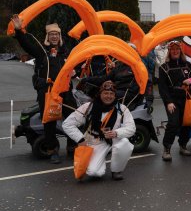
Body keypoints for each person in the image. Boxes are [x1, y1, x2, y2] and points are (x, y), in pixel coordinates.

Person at [11, 14, 77, 162]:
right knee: (49, 122)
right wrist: (19, 31)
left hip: (65, 91)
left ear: (59, 36)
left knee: (72, 117)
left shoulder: (65, 52)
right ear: (48, 36)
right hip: (47, 92)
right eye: (51, 34)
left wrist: (75, 72)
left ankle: (72, 146)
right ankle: (52, 150)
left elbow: (74, 66)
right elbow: (27, 45)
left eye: (56, 34)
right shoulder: (41, 52)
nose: (54, 36)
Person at [62, 80, 136, 180]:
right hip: (94, 141)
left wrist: (116, 133)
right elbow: (67, 124)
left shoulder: (122, 109)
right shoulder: (88, 107)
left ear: (115, 96)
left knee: (125, 143)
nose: (108, 96)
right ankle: (100, 159)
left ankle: (117, 170)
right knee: (94, 172)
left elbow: (132, 128)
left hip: (112, 139)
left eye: (111, 94)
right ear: (100, 94)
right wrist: (80, 139)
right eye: (105, 93)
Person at [157, 40, 191, 161]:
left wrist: (190, 80)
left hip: (186, 98)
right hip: (172, 99)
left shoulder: (187, 65)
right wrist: (168, 102)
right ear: (169, 51)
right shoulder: (164, 67)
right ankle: (167, 149)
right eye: (172, 49)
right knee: (173, 123)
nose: (175, 51)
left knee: (186, 123)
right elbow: (162, 87)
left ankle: (183, 145)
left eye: (177, 49)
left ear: (180, 51)